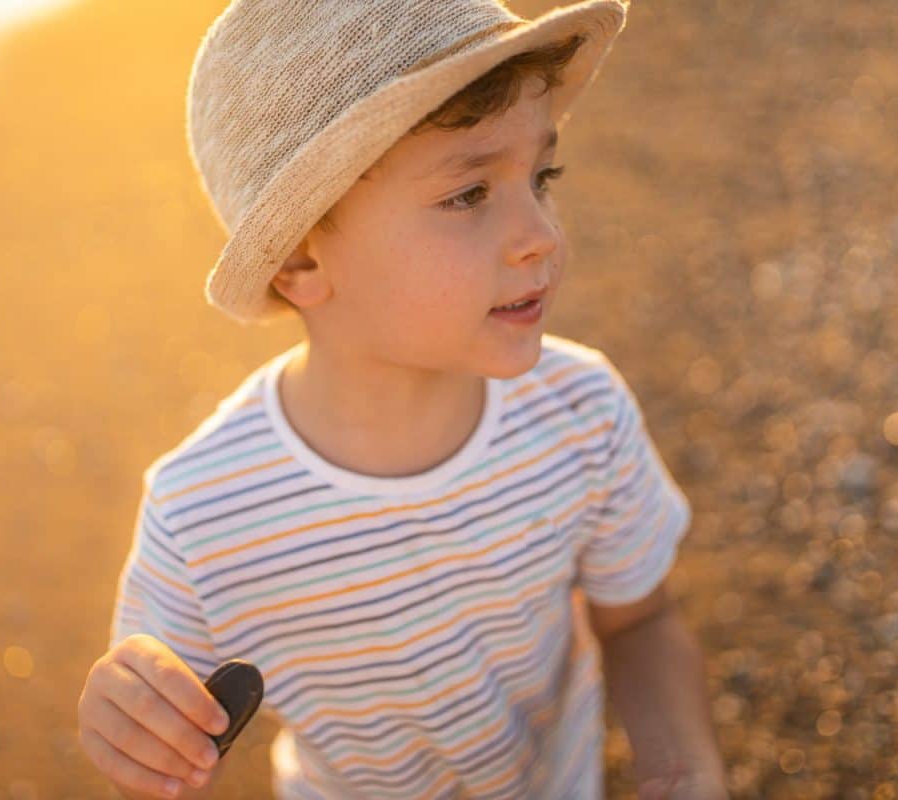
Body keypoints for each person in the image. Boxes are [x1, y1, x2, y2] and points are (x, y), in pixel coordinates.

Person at [76, 0, 729, 798]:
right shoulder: (204, 514)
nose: (542, 234)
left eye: (541, 177)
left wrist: (680, 765)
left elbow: (640, 619)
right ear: (301, 263)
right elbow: (152, 714)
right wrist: (131, 717)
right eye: (468, 195)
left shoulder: (580, 411)